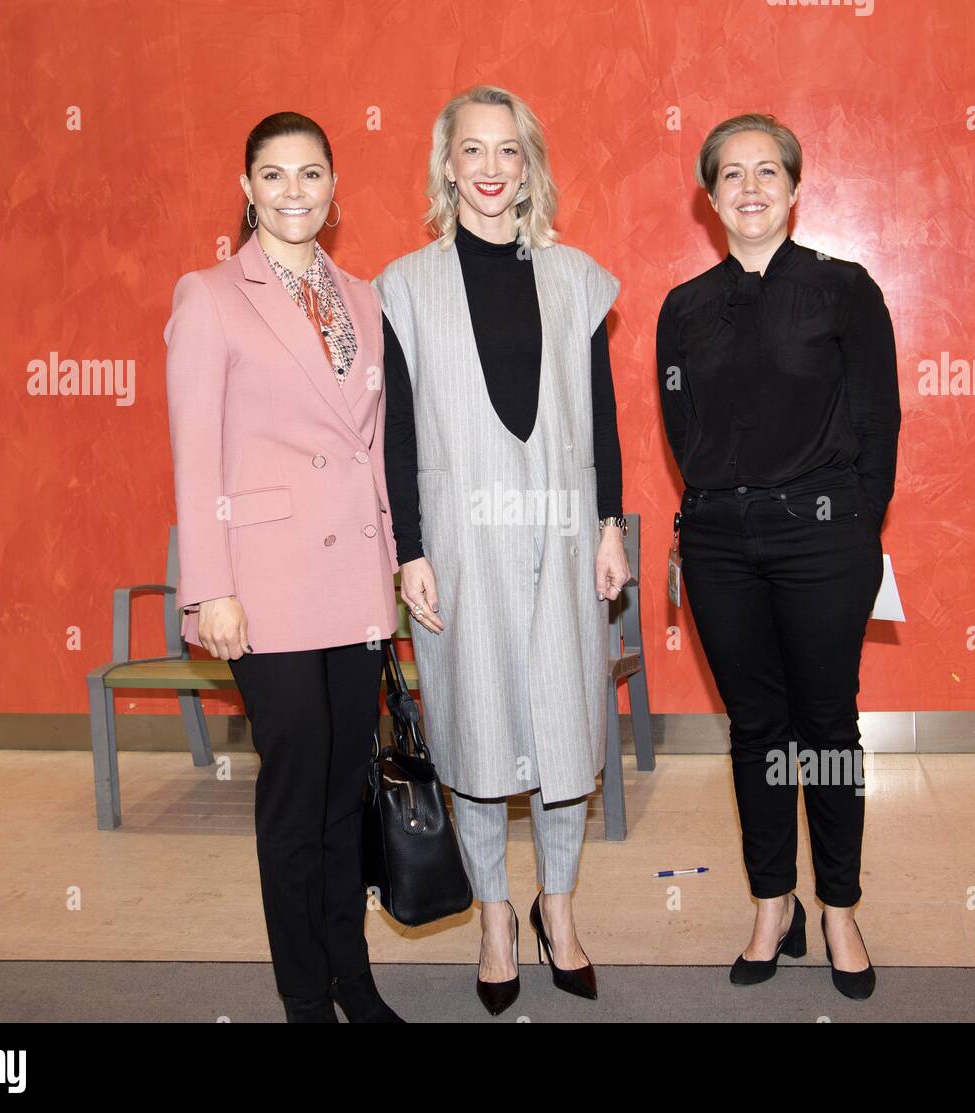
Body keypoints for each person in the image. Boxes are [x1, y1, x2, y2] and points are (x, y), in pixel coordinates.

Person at [375, 85, 629, 1016]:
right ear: (447, 165)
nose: (490, 168)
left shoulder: (576, 279)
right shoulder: (402, 285)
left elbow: (601, 411)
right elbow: (395, 432)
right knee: (475, 733)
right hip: (459, 547)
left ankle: (557, 908)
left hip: (565, 537)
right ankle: (495, 919)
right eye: (472, 151)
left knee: (568, 735)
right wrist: (408, 550)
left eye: (508, 151)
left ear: (530, 167)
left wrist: (610, 524)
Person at [164, 111, 403, 1023]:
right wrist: (209, 587)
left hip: (352, 587)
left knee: (349, 789)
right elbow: (194, 453)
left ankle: (355, 977)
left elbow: (372, 447)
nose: (294, 191)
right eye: (274, 175)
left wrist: (393, 561)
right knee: (296, 792)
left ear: (334, 189)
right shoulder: (211, 294)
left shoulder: (365, 296)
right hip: (262, 588)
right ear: (247, 188)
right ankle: (304, 993)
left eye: (311, 174)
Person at [657, 113, 901, 1000]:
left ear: (795, 189)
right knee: (756, 730)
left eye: (768, 171)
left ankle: (839, 905)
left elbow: (879, 425)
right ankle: (773, 900)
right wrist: (727, 506)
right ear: (709, 194)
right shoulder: (682, 310)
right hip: (721, 544)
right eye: (731, 173)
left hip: (826, 538)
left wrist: (852, 528)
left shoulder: (846, 290)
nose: (750, 187)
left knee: (829, 730)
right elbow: (685, 430)